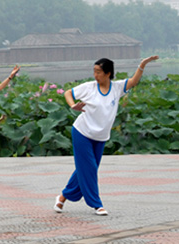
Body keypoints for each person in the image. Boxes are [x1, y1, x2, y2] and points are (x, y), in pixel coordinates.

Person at [54, 56, 159, 216]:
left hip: (100, 136)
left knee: (86, 169)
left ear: (108, 73)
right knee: (89, 168)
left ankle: (62, 197)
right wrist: (72, 105)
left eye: (99, 72)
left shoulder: (117, 88)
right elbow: (69, 93)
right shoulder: (89, 87)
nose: (95, 75)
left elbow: (133, 82)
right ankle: (96, 204)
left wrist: (142, 65)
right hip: (82, 133)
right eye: (94, 71)